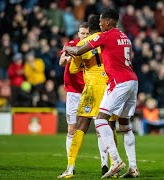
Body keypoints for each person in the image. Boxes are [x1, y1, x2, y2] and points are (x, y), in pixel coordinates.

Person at [65, 9, 139, 178]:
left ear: (108, 22)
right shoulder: (125, 37)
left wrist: (67, 47)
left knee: (99, 121)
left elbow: (77, 53)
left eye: (101, 21)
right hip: (132, 80)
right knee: (125, 126)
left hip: (115, 83)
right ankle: (133, 167)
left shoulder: (105, 36)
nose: (99, 24)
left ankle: (116, 160)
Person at [57, 15, 119, 179]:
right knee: (109, 127)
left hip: (91, 89)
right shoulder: (108, 40)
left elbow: (72, 70)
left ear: (89, 31)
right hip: (108, 89)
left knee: (80, 127)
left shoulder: (82, 44)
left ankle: (70, 168)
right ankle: (113, 165)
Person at [58, 22, 88, 175]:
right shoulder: (71, 44)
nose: (83, 36)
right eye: (81, 33)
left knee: (100, 127)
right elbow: (61, 62)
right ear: (78, 33)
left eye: (86, 33)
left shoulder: (93, 46)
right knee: (71, 128)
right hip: (73, 92)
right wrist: (67, 59)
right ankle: (71, 164)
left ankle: (106, 164)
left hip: (89, 91)